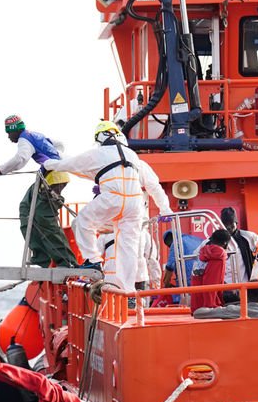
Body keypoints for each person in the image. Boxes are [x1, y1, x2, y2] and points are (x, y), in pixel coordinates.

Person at [43, 120, 169, 291]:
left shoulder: (100, 154)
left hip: (112, 199)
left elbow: (72, 164)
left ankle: (93, 261)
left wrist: (48, 164)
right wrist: (165, 209)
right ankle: (127, 290)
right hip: (135, 205)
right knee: (129, 248)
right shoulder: (134, 157)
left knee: (81, 222)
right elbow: (154, 186)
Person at [0, 115, 77, 269]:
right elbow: (59, 144)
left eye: (8, 133)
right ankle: (41, 257)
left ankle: (66, 261)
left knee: (43, 217)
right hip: (46, 176)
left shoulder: (23, 140)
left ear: (14, 131)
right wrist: (57, 159)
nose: (8, 137)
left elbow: (20, 159)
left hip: (54, 178)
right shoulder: (36, 135)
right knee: (26, 207)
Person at [191, 229, 230, 312]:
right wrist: (211, 305)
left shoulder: (203, 251)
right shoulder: (220, 256)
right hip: (208, 306)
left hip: (197, 303)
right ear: (225, 244)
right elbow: (212, 281)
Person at [221, 207, 258, 285]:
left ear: (236, 223)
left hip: (244, 286)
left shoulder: (249, 237)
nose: (228, 227)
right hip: (224, 287)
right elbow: (199, 255)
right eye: (225, 224)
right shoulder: (214, 240)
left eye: (231, 223)